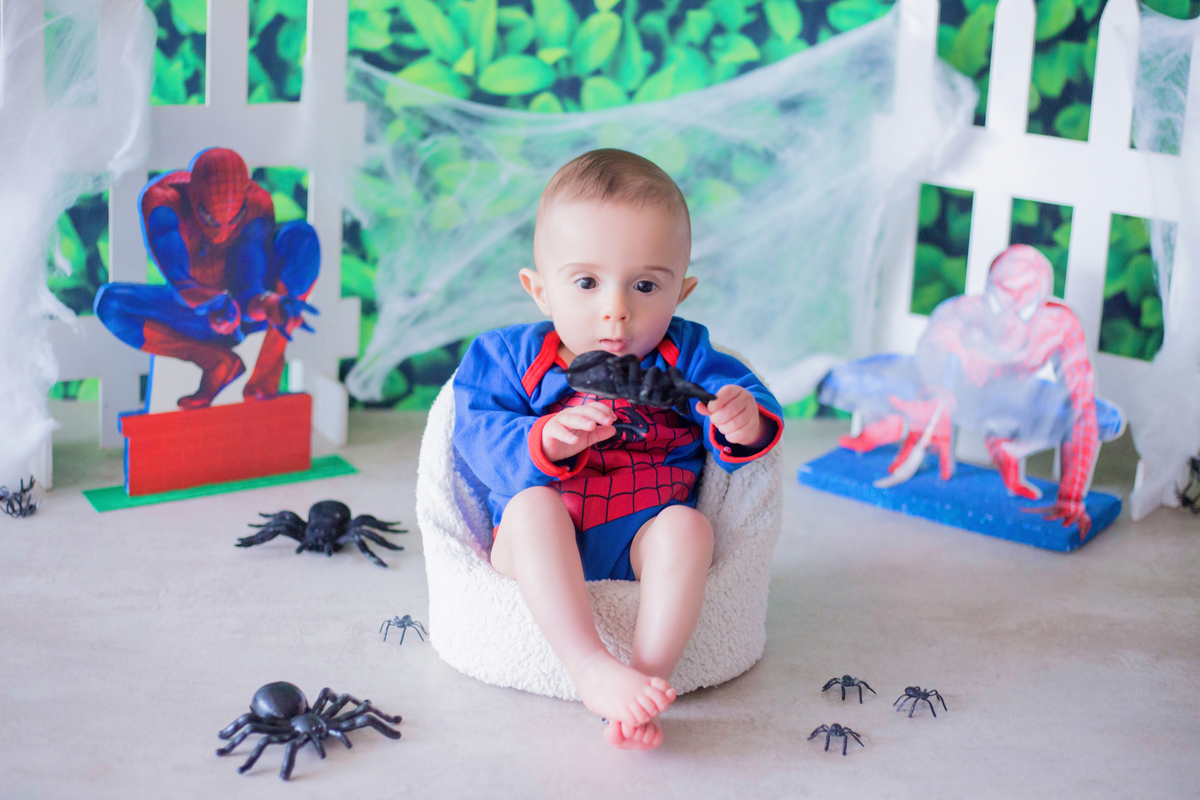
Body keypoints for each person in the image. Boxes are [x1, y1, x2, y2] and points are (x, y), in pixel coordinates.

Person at [452, 149, 783, 750]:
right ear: (540, 289)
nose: (617, 309)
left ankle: (647, 678)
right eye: (585, 282)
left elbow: (747, 401)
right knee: (531, 509)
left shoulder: (687, 355)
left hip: (640, 537)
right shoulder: (508, 357)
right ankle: (590, 666)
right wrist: (542, 439)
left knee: (687, 528)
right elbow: (472, 431)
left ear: (681, 292)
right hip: (545, 534)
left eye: (645, 285)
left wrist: (744, 416)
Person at [94, 147, 319, 409]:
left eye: (233, 220)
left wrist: (271, 304)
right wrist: (215, 303)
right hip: (195, 314)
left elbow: (249, 287)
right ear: (193, 195)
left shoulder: (257, 203)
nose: (222, 234)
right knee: (111, 304)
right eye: (210, 218)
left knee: (302, 238)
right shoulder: (163, 201)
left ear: (244, 200)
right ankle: (215, 362)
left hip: (243, 314)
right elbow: (182, 283)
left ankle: (264, 376)